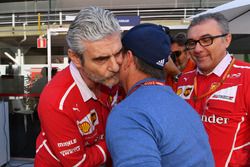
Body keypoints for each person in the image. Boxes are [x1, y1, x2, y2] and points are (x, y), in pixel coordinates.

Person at [106, 23, 214, 167]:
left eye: (119, 54)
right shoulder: (182, 105)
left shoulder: (129, 113)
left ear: (129, 58)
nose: (114, 62)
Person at [35, 6, 123, 166]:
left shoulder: (112, 75)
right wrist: (120, 137)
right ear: (75, 58)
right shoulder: (56, 102)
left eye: (118, 53)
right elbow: (78, 163)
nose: (115, 66)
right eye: (101, 59)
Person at [176, 13, 250, 167]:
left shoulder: (246, 76)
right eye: (192, 42)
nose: (197, 49)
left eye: (206, 40)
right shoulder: (184, 78)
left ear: (227, 40)